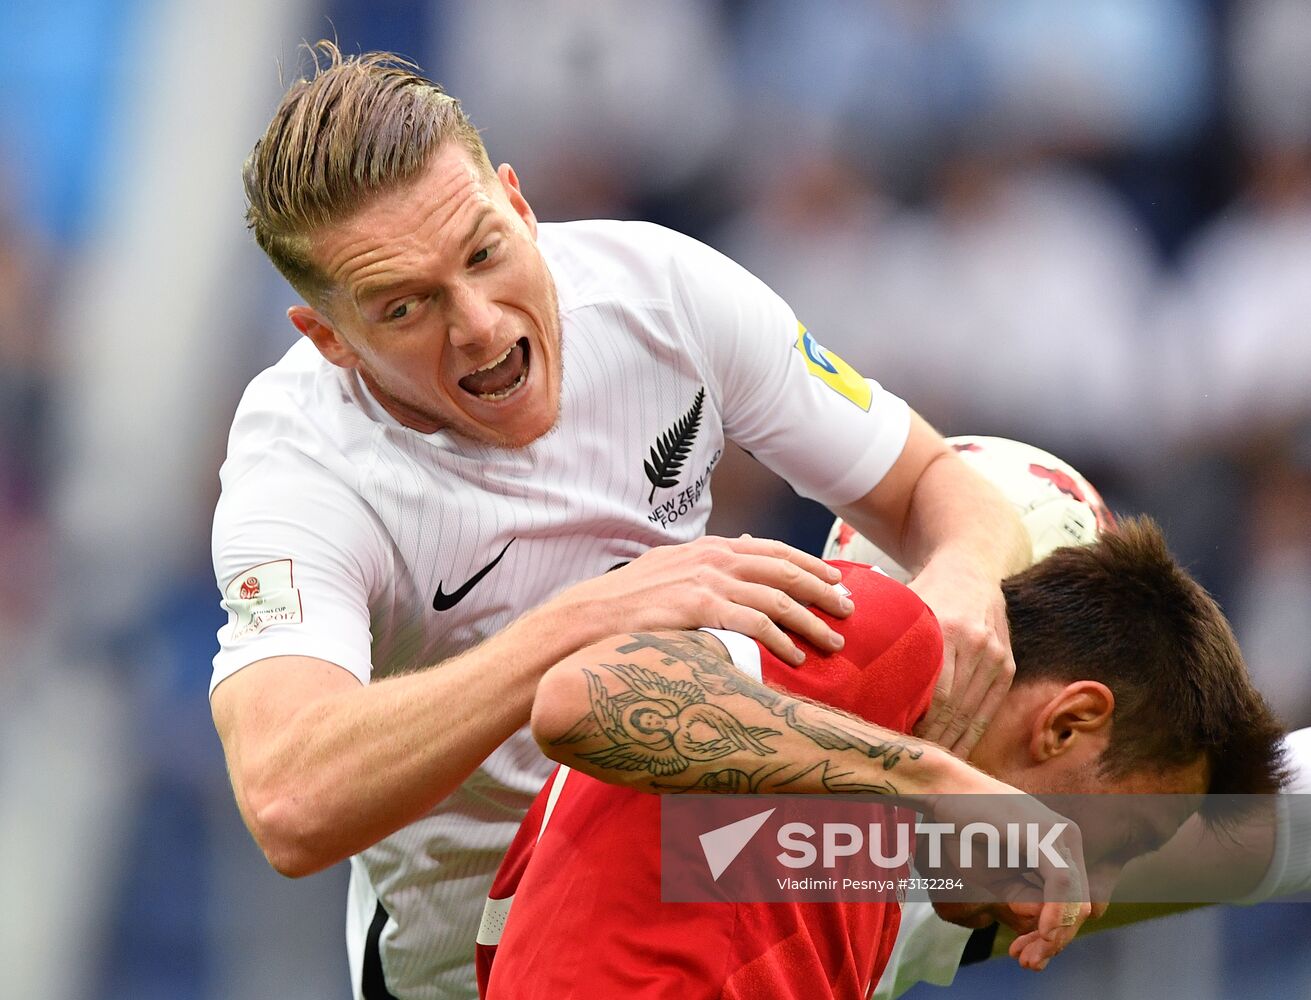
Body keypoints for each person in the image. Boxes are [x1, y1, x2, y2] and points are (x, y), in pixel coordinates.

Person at [209, 44, 1032, 998]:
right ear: (331, 341)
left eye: (484, 252)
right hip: (472, 969)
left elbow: (937, 480)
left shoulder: (661, 290)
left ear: (518, 203)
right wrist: (592, 618)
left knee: (1036, 527)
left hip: (713, 870)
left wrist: (968, 587)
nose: (476, 323)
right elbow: (289, 800)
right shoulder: (299, 465)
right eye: (406, 307)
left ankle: (1182, 839)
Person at [477, 517, 1286, 998]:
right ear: (1067, 723)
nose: (1098, 893)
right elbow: (583, 695)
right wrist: (940, 781)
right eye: (1124, 844)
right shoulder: (888, 635)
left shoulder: (862, 862)